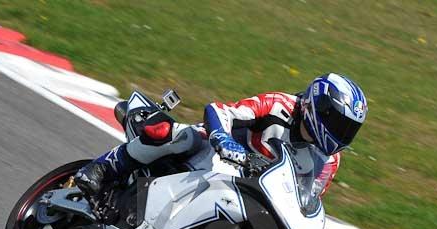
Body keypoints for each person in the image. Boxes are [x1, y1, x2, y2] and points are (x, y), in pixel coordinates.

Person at [74, 73, 367, 196]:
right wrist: (223, 140)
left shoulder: (329, 162)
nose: (342, 135)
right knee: (181, 136)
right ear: (321, 109)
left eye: (349, 130)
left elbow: (308, 199)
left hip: (254, 189)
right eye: (340, 125)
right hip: (216, 153)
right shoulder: (280, 104)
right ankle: (102, 167)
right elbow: (220, 110)